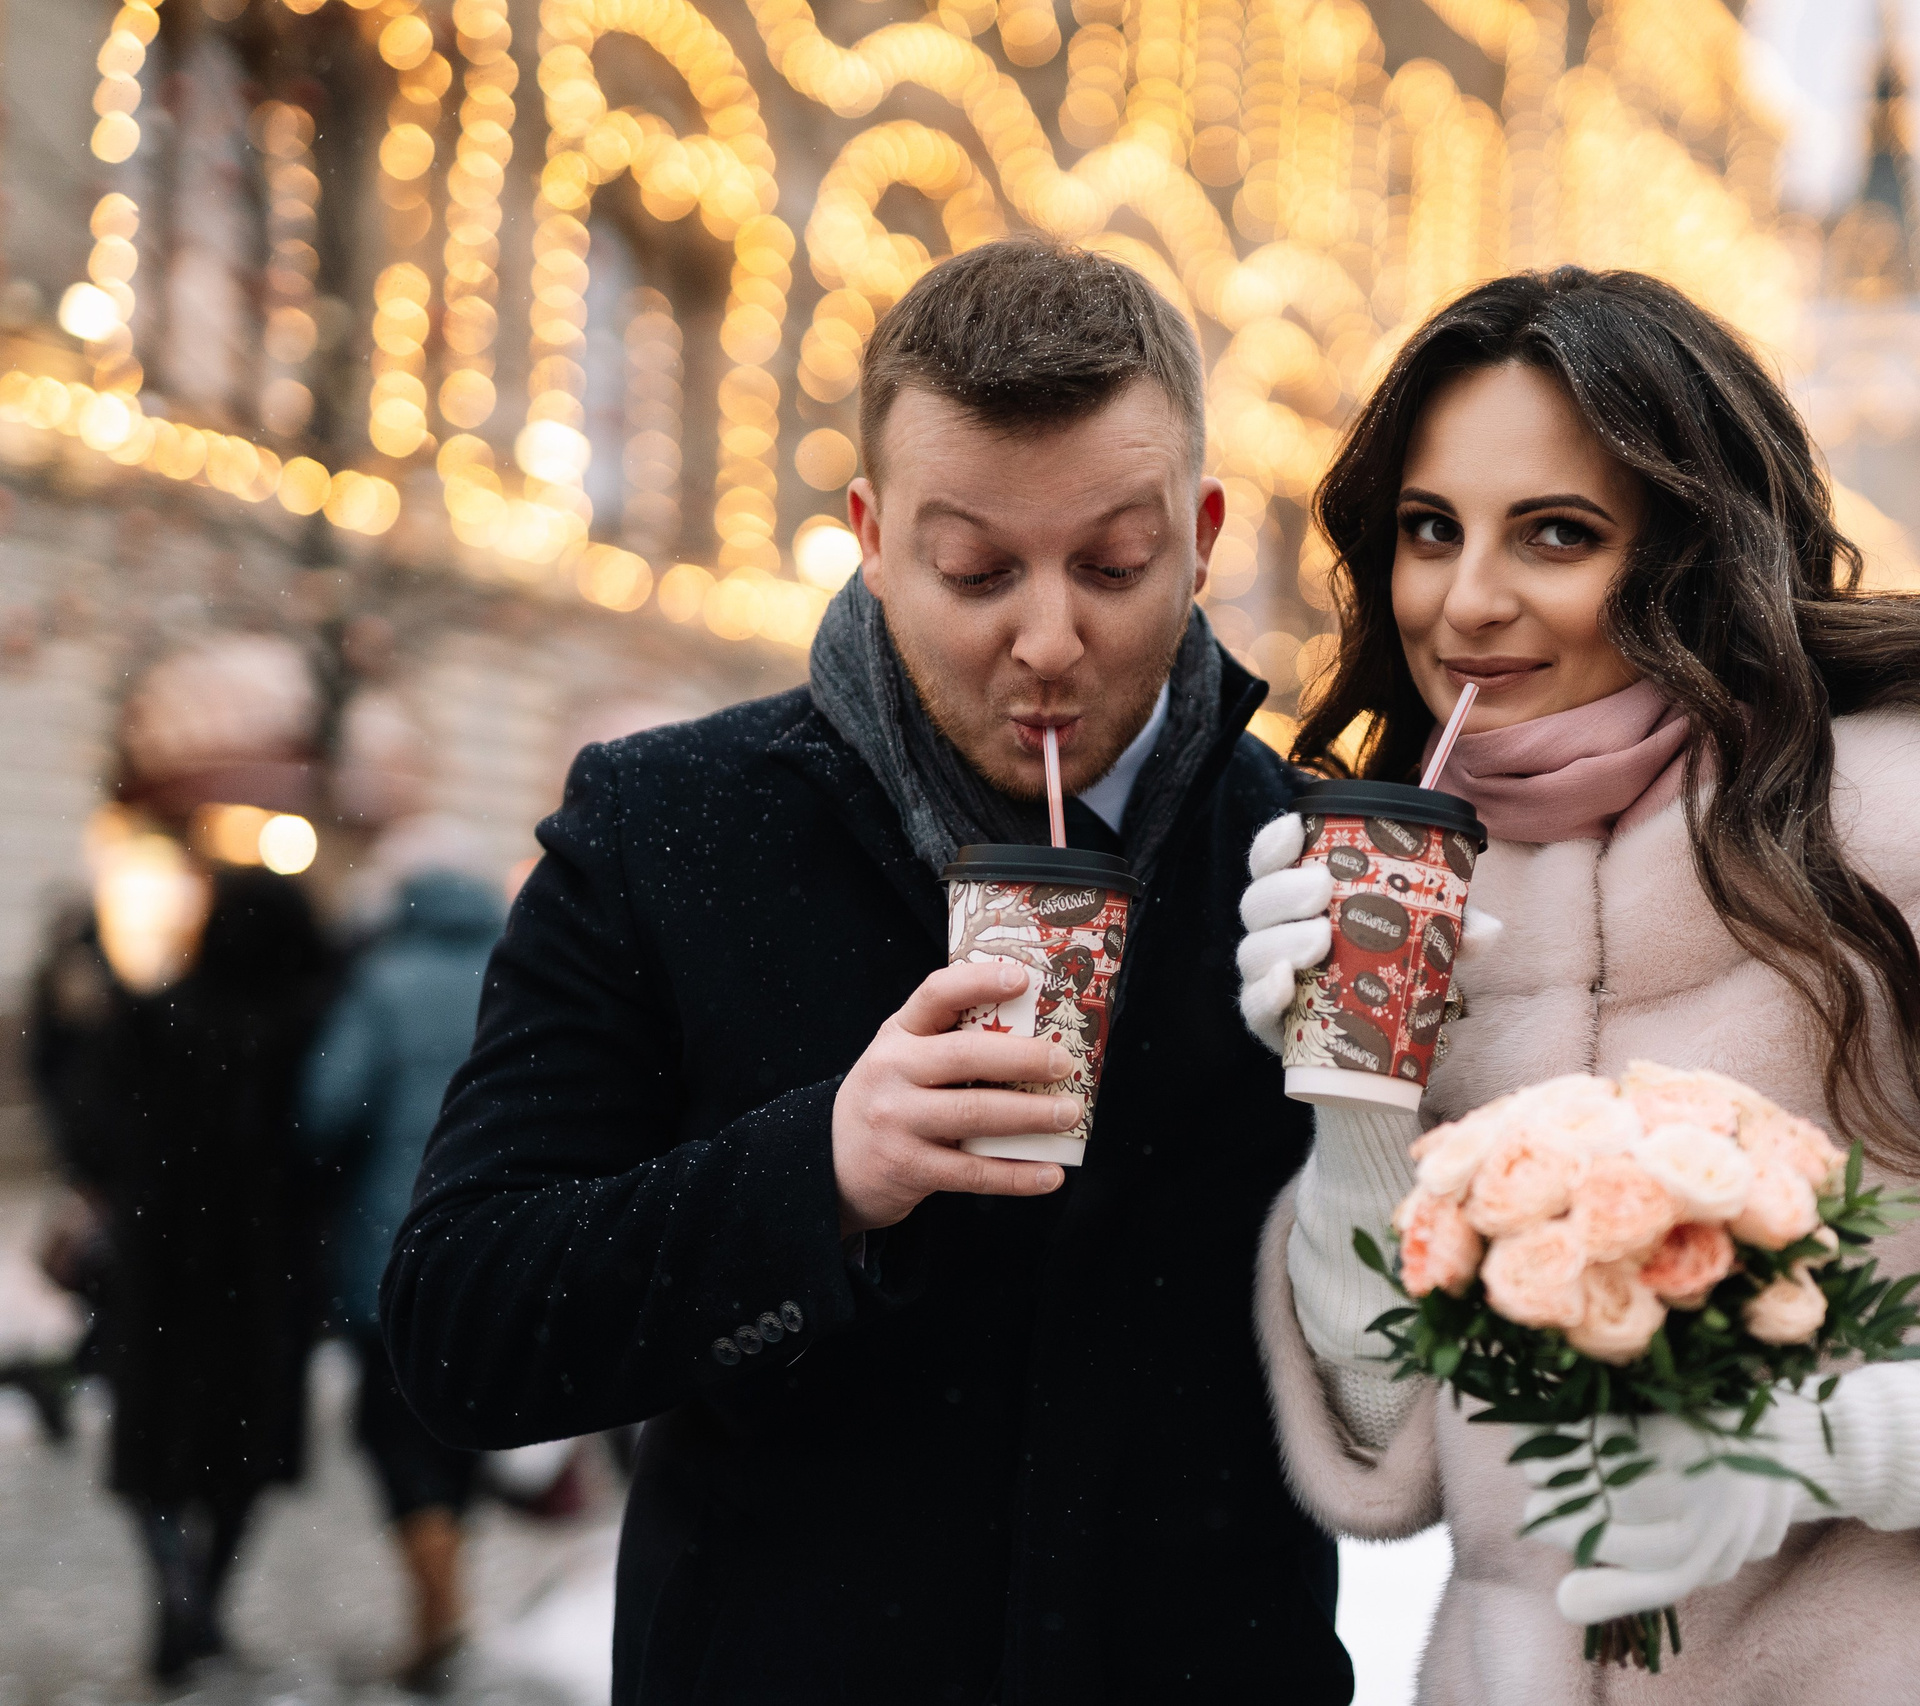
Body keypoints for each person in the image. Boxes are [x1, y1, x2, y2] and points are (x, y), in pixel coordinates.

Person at [1235, 268, 1920, 1703]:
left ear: (1692, 550)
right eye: (1430, 530)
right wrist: (1358, 1104)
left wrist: (1824, 1445)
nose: (1467, 599)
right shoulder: (1435, 873)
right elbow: (1391, 1436)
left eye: (1556, 534)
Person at [380, 240, 1350, 1704]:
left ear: (1202, 533)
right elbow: (464, 1328)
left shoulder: (1311, 861)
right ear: (872, 537)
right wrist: (820, 1169)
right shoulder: (663, 829)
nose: (1048, 638)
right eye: (974, 569)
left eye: (1113, 564)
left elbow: (1417, 1366)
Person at [54, 866, 337, 1684]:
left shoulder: (154, 1016)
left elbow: (89, 1130)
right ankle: (205, 1597)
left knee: (152, 1442)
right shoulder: (307, 1024)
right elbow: (331, 1139)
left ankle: (175, 1590)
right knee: (243, 1450)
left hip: (162, 1262)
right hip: (265, 1267)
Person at [301, 865, 506, 1692]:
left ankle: (437, 1605)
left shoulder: (379, 984)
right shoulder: (519, 972)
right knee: (465, 1423)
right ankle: (446, 1585)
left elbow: (324, 1109)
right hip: (497, 1247)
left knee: (394, 1426)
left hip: (394, 1248)